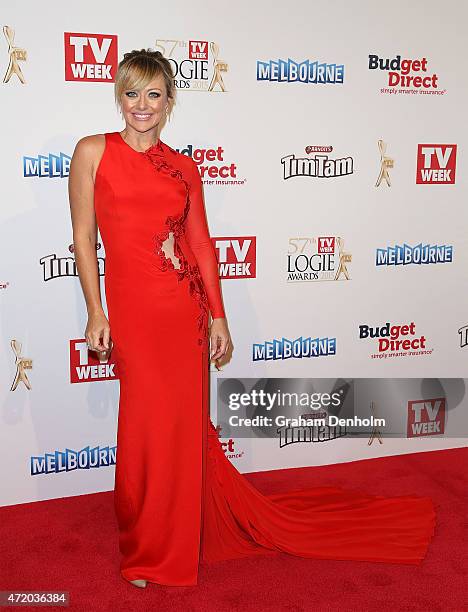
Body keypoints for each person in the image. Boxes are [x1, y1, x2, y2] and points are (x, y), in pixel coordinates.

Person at [68, 49, 436, 589]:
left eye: (154, 94)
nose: (141, 105)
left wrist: (218, 317)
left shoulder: (184, 167)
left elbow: (200, 244)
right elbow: (83, 238)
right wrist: (95, 310)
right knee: (144, 431)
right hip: (133, 317)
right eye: (131, 92)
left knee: (176, 431)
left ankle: (170, 541)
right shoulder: (92, 151)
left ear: (170, 102)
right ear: (117, 96)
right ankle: (146, 541)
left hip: (181, 312)